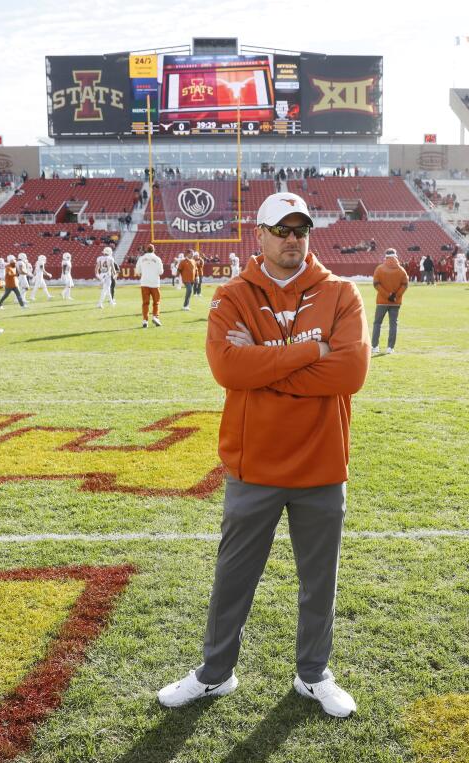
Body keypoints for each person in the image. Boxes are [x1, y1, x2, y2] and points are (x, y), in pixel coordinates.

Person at [157, 192, 370, 718]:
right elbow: (229, 370)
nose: (293, 239)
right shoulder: (232, 293)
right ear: (261, 234)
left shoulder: (342, 292)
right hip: (253, 464)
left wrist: (266, 361)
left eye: (301, 230)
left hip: (322, 463)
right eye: (282, 230)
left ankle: (314, 674)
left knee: (319, 580)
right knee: (234, 577)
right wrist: (309, 353)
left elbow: (350, 374)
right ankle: (215, 674)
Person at [371, 248, 408, 354]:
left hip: (382, 301)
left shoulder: (379, 269)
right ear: (395, 256)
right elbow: (405, 285)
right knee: (393, 324)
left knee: (377, 323)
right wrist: (395, 296)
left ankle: (375, 346)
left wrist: (387, 295)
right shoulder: (401, 270)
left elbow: (376, 284)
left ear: (386, 256)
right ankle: (390, 348)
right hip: (395, 302)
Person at [136, 244, 163, 328]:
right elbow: (161, 272)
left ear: (146, 250)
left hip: (144, 283)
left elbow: (138, 271)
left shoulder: (141, 259)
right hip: (155, 283)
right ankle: (155, 317)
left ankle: (145, 320)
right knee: (156, 302)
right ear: (154, 250)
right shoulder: (157, 259)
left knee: (145, 303)